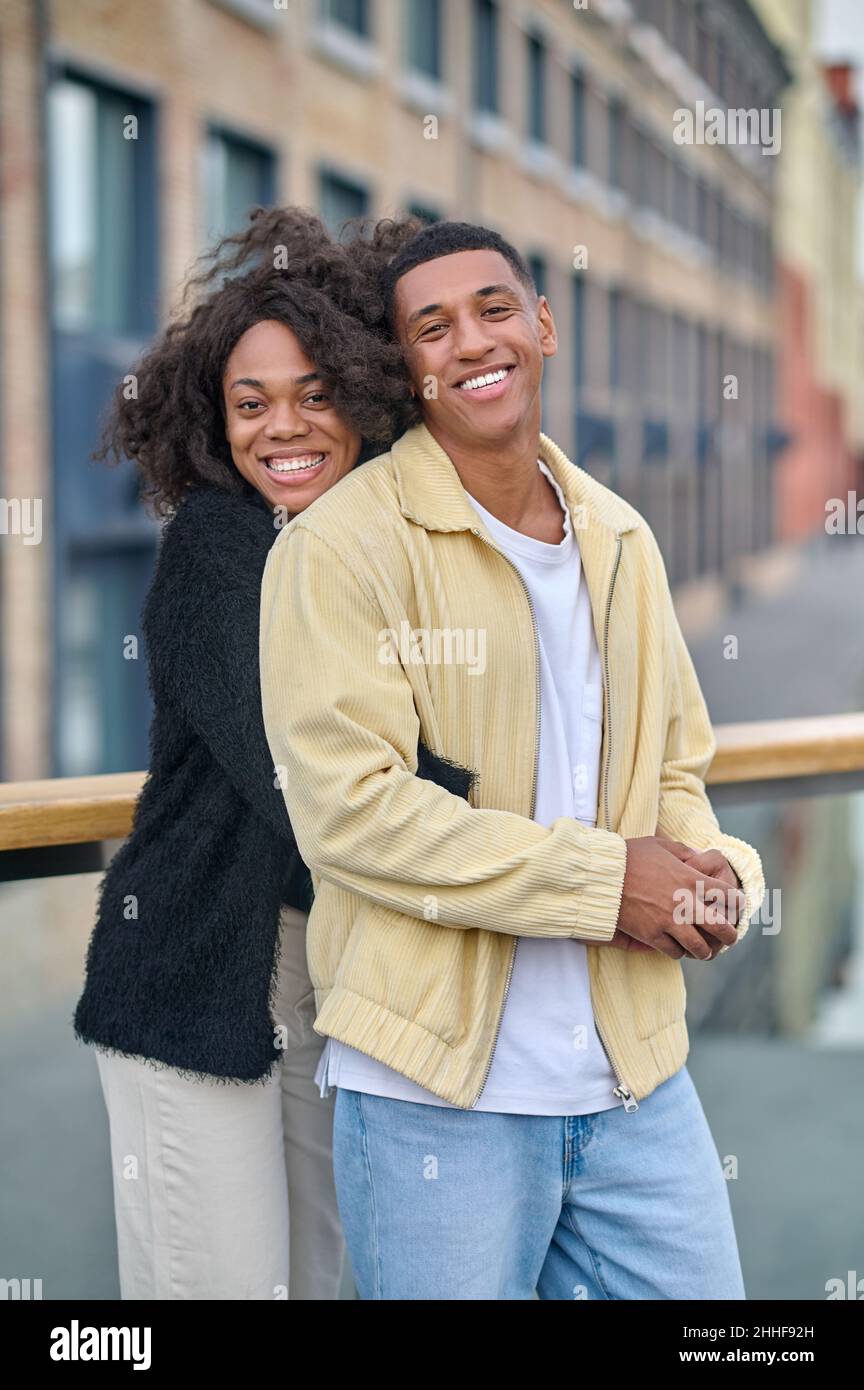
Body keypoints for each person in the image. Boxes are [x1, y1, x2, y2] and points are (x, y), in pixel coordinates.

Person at [259, 220, 767, 1300]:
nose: (472, 342)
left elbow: (678, 773)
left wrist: (719, 875)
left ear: (542, 325)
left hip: (635, 1081)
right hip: (437, 1095)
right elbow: (351, 816)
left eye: (494, 309)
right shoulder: (339, 548)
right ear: (407, 368)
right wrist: (606, 882)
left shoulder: (621, 536)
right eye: (431, 328)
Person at [73, 208, 429, 1299]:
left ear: (367, 398)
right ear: (212, 418)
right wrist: (549, 848)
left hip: (332, 968)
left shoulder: (372, 546)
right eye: (252, 402)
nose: (286, 427)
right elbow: (311, 785)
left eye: (317, 394)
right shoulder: (219, 547)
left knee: (321, 1280)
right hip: (191, 976)